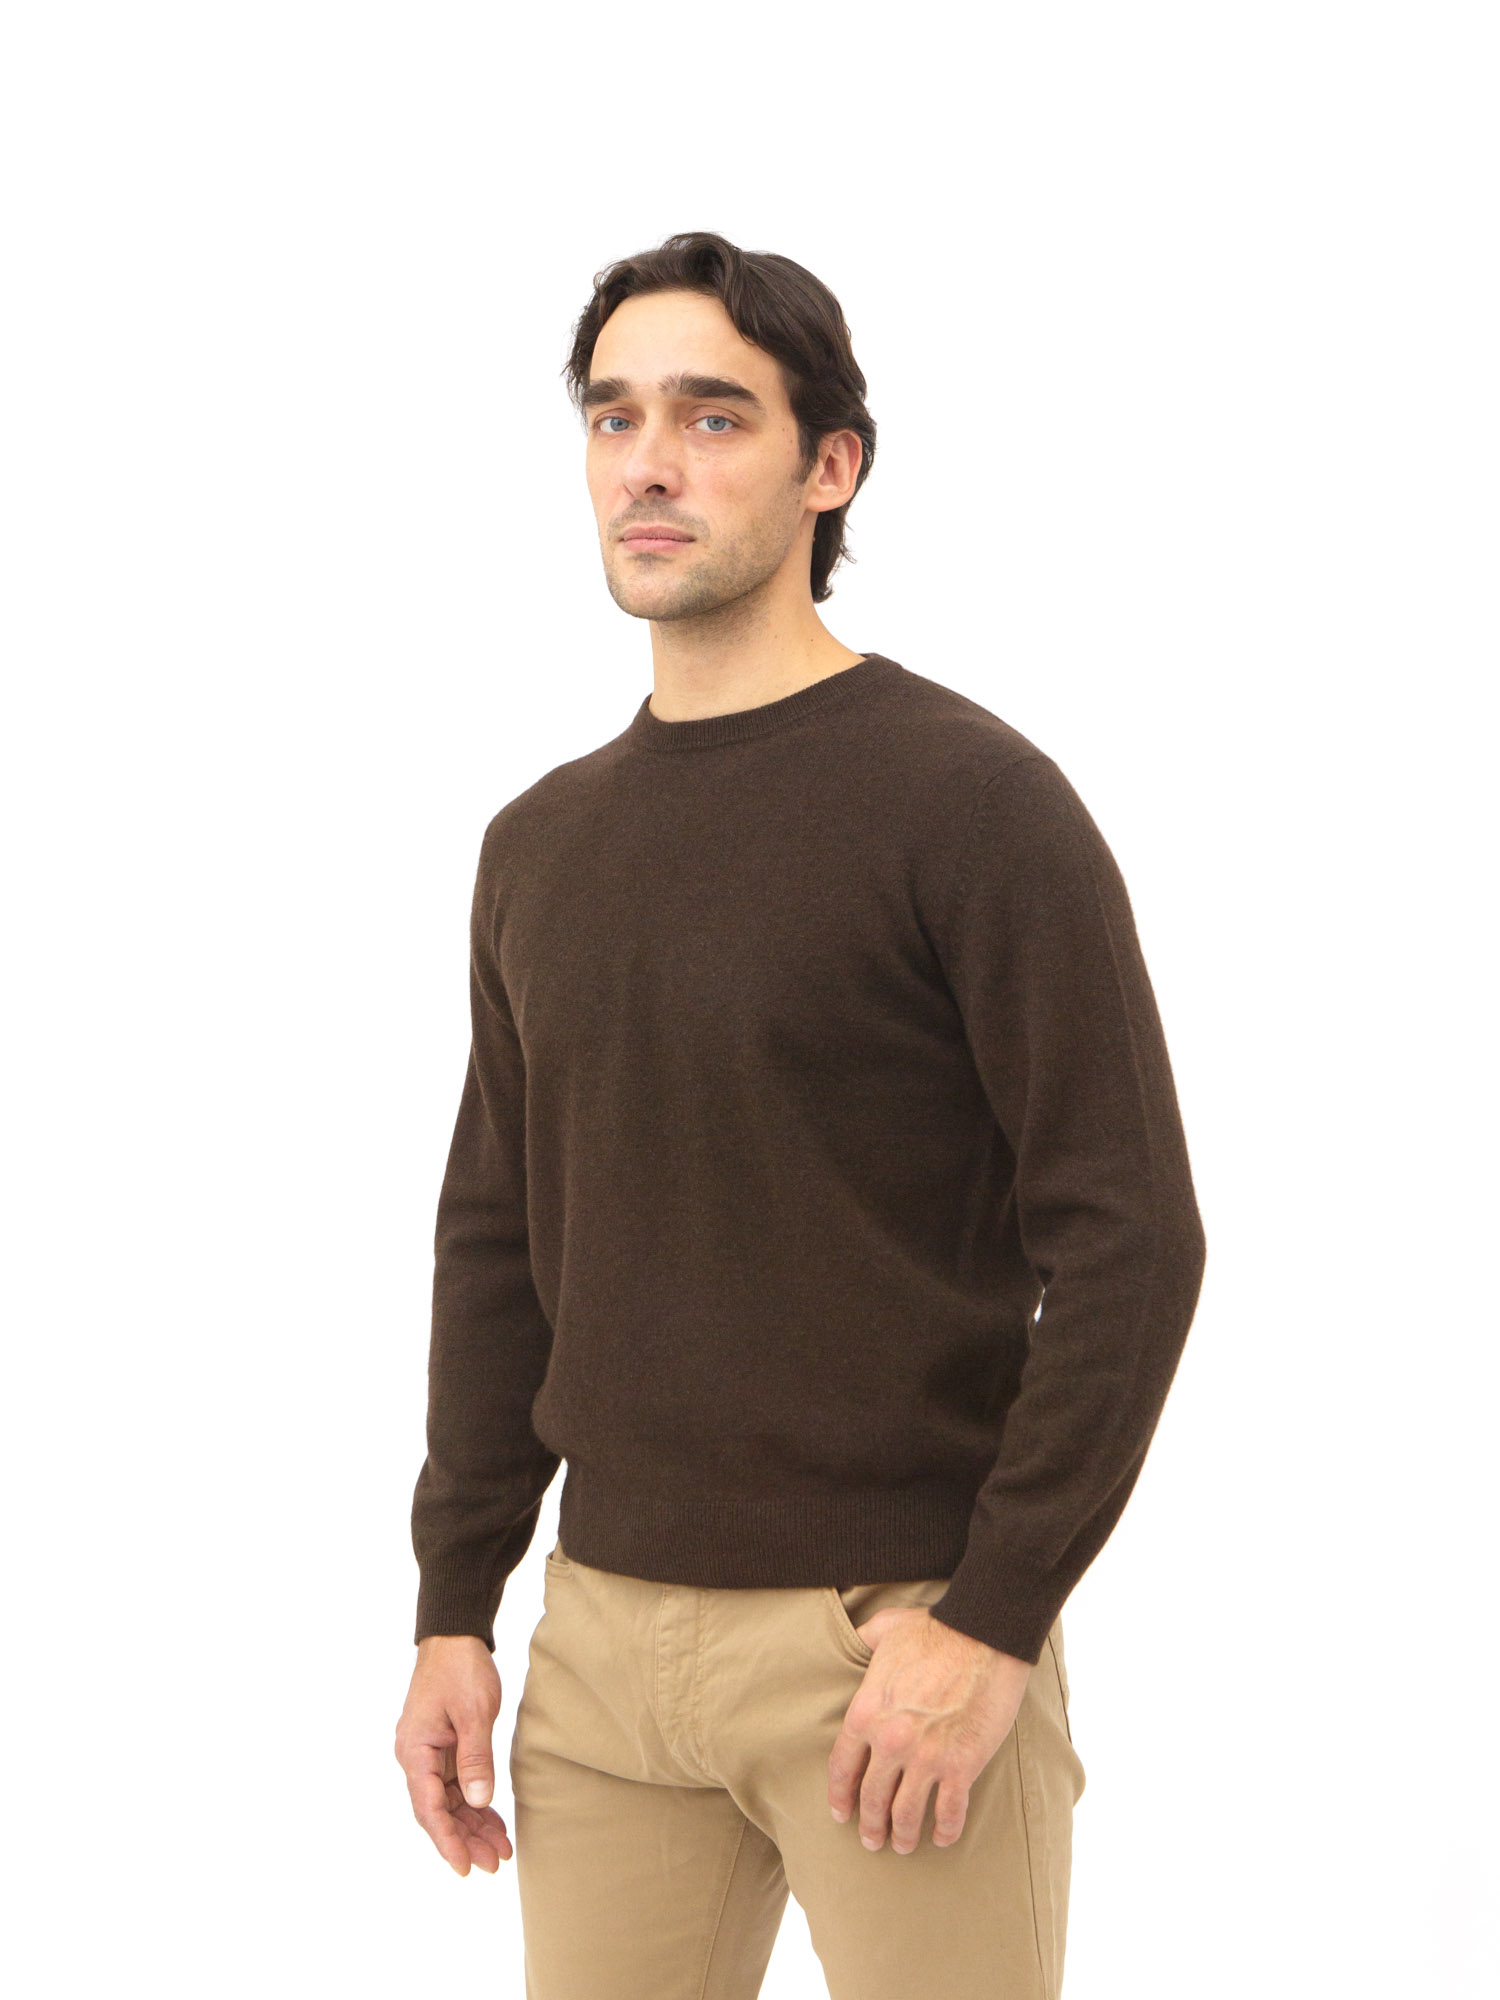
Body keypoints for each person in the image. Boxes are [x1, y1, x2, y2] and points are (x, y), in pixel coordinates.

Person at [393, 229, 1206, 1999]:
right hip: (601, 1656)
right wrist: (457, 1599)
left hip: (890, 1647)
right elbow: (498, 1244)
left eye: (713, 418)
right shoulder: (538, 845)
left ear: (830, 467)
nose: (650, 464)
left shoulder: (972, 804)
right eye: (614, 418)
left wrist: (992, 1619)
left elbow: (1133, 1239)